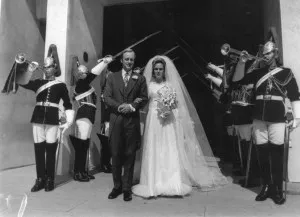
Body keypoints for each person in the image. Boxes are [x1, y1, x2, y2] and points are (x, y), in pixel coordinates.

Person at [132, 55, 228, 199]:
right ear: (153, 71)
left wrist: (170, 109)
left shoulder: (170, 85)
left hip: (168, 121)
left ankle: (172, 183)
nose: (158, 71)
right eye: (156, 69)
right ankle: (153, 183)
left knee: (169, 148)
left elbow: (176, 104)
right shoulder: (148, 85)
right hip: (153, 120)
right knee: (154, 148)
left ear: (165, 71)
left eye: (161, 69)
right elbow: (144, 104)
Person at [240, 41, 300, 205]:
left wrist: (297, 118)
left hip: (277, 117)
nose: (265, 57)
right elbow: (238, 81)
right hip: (259, 116)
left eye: (269, 54)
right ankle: (266, 186)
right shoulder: (258, 72)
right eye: (264, 54)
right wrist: (242, 62)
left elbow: (295, 96)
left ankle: (277, 189)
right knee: (262, 154)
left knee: (277, 154)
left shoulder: (286, 72)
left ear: (276, 54)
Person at [19, 48, 74, 192]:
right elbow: (22, 82)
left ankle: (50, 179)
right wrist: (30, 70)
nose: (46, 69)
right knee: (39, 150)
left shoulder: (61, 85)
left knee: (50, 150)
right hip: (37, 118)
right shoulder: (37, 82)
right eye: (45, 67)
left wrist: (68, 121)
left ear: (54, 68)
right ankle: (40, 179)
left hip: (52, 119)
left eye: (49, 67)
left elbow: (68, 104)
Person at [103, 48, 148, 202]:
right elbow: (106, 97)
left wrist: (131, 106)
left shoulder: (140, 79)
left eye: (131, 60)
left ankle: (127, 188)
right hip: (116, 120)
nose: (129, 62)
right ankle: (117, 187)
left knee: (130, 154)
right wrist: (119, 106)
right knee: (115, 154)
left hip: (132, 121)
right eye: (126, 59)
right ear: (121, 61)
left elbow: (143, 98)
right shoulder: (112, 77)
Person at [69, 56, 113, 182]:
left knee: (84, 144)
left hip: (88, 115)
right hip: (84, 114)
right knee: (82, 145)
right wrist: (104, 63)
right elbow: (94, 74)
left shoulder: (84, 85)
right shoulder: (81, 84)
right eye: (85, 73)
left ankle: (82, 171)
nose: (87, 75)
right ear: (80, 75)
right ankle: (78, 172)